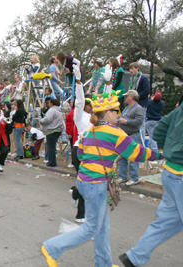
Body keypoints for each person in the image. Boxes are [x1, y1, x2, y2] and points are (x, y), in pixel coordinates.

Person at [41, 87, 162, 267]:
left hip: (84, 181)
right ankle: (51, 248)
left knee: (102, 226)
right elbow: (136, 153)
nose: (118, 113)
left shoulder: (89, 132)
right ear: (107, 113)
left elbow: (80, 154)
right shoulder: (115, 133)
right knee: (92, 228)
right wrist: (159, 154)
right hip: (96, 183)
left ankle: (103, 264)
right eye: (116, 110)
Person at [119, 104, 182, 267]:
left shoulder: (179, 109)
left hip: (171, 171)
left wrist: (173, 147)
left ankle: (135, 257)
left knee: (166, 223)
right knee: (166, 222)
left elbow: (159, 130)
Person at [70, 64, 93, 223]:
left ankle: (75, 193)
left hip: (93, 152)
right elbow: (79, 101)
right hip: (80, 149)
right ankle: (81, 214)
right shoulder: (80, 116)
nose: (91, 106)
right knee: (86, 181)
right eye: (89, 104)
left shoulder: (96, 118)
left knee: (87, 181)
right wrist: (78, 81)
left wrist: (107, 83)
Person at [116, 90, 146, 186]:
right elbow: (122, 118)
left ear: (131, 97)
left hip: (133, 135)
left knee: (133, 157)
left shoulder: (138, 108)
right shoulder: (127, 108)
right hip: (124, 135)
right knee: (122, 157)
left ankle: (134, 178)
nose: (125, 98)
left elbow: (139, 121)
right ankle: (123, 176)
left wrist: (126, 122)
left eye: (126, 96)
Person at [128, 62, 150, 142]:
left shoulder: (143, 79)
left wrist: (136, 96)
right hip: (132, 105)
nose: (131, 70)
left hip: (141, 105)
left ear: (137, 68)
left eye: (132, 68)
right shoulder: (131, 79)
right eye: (130, 69)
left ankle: (142, 142)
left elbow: (147, 91)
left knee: (141, 125)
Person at [39, 98, 64, 167]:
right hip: (58, 130)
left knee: (51, 147)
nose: (48, 104)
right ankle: (51, 161)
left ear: (52, 103)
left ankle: (52, 162)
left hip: (51, 130)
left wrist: (41, 121)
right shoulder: (59, 111)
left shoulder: (52, 110)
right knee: (52, 147)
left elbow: (48, 119)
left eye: (49, 103)